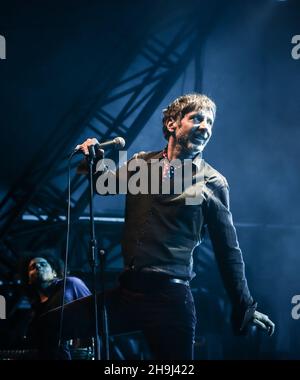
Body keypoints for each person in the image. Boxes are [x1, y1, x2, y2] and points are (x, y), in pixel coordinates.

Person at [41, 93, 275, 360]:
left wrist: (245, 305)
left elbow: (228, 250)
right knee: (45, 327)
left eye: (210, 122)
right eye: (197, 118)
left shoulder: (211, 181)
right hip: (127, 293)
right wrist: (95, 157)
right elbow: (103, 185)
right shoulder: (143, 164)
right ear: (173, 124)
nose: (205, 126)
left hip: (170, 299)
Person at [19, 249, 91, 359]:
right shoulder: (34, 310)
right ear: (29, 279)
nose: (38, 266)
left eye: (43, 264)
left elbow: (94, 313)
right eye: (32, 267)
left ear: (54, 272)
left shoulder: (71, 284)